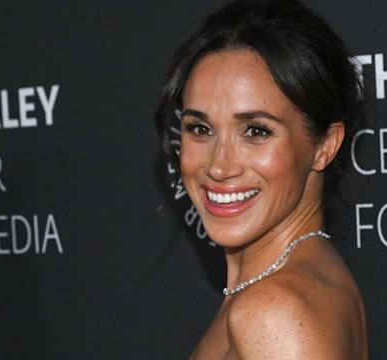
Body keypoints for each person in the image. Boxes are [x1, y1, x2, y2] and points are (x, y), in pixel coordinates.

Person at [154, 0, 368, 358]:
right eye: (200, 128)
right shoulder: (297, 281)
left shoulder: (273, 313)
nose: (219, 167)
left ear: (325, 145)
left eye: (255, 131)